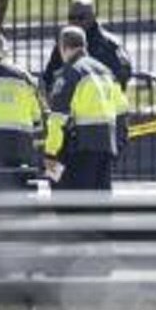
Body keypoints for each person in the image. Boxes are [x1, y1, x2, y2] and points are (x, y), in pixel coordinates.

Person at [44, 26, 128, 191]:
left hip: (79, 150)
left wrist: (50, 153)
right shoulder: (106, 72)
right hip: (105, 147)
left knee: (73, 201)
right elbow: (122, 111)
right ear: (84, 45)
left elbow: (57, 118)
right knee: (100, 202)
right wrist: (118, 143)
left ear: (63, 47)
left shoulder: (70, 73)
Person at [43, 0, 133, 91]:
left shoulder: (110, 44)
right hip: (71, 101)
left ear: (93, 17)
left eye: (81, 18)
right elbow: (50, 76)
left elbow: (124, 74)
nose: (76, 21)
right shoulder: (65, 43)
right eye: (72, 18)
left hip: (102, 99)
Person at [0, 35, 46, 172]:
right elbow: (38, 117)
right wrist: (39, 148)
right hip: (19, 143)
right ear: (5, 51)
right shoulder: (23, 76)